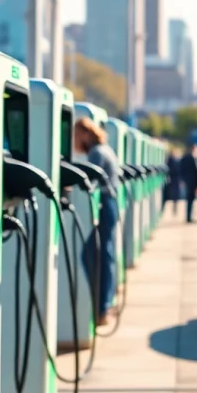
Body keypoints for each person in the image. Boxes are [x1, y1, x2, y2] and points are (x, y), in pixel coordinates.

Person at [72, 117, 120, 326]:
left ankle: (103, 306)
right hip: (110, 204)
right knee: (104, 254)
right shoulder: (104, 149)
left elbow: (88, 179)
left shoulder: (97, 153)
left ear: (85, 133)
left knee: (92, 255)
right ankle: (105, 303)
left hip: (105, 205)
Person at [180, 144, 197, 223]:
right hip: (192, 182)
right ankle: (189, 217)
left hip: (188, 181)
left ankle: (189, 216)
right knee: (190, 200)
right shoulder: (193, 158)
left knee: (189, 200)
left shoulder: (185, 157)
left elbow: (181, 169)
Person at [162, 147, 182, 214]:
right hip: (171, 180)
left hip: (174, 180)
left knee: (175, 195)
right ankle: (172, 208)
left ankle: (174, 208)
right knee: (171, 195)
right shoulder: (171, 160)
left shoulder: (175, 160)